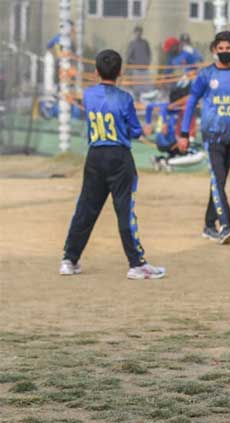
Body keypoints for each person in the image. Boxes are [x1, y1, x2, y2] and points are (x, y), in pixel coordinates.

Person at [59, 50, 166, 280]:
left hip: (95, 156)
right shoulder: (125, 98)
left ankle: (69, 259)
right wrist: (137, 129)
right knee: (124, 210)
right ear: (120, 72)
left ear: (96, 72)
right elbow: (135, 130)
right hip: (118, 158)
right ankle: (136, 264)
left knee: (86, 208)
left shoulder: (88, 95)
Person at [178, 31, 230, 243]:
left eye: (228, 49)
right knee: (217, 178)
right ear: (214, 50)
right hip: (212, 134)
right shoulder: (205, 75)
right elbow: (191, 103)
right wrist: (184, 132)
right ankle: (226, 225)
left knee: (219, 181)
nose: (224, 52)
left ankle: (207, 225)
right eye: (220, 49)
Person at [144, 101, 204, 172]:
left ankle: (159, 159)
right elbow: (163, 108)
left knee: (178, 152)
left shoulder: (168, 107)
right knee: (198, 154)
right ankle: (167, 162)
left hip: (161, 142)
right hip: (169, 142)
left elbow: (149, 106)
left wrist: (148, 123)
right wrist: (163, 122)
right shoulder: (174, 109)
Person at [125, 26, 152, 99]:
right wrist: (135, 64)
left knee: (146, 88)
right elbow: (128, 57)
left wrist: (148, 62)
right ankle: (137, 101)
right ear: (134, 33)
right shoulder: (132, 44)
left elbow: (149, 53)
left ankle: (145, 102)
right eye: (137, 32)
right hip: (136, 70)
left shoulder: (145, 43)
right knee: (137, 89)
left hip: (145, 69)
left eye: (140, 32)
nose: (139, 34)